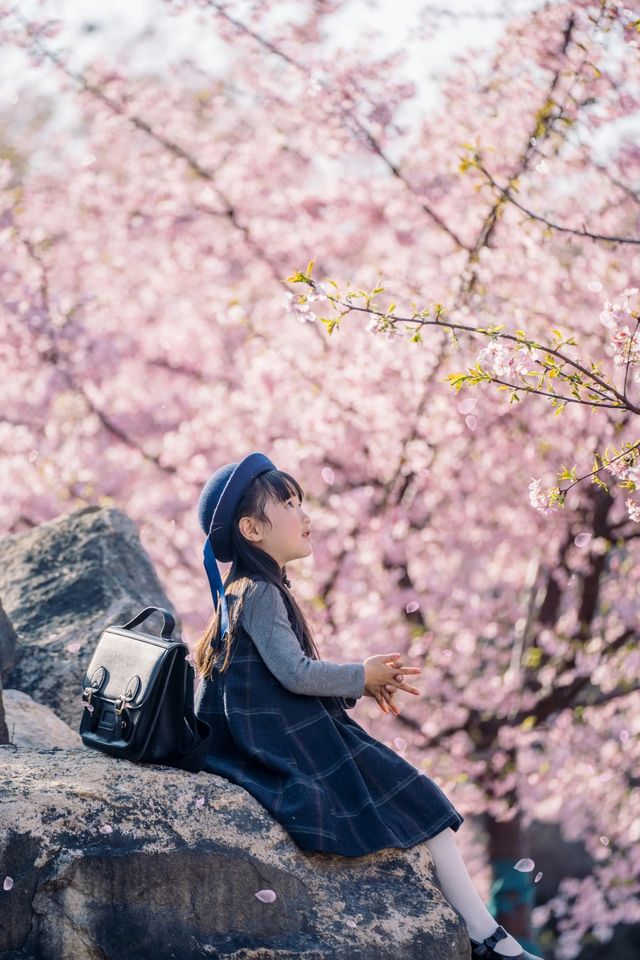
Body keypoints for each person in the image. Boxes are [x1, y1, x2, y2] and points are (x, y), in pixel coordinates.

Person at [192, 452, 543, 960]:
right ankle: (488, 939)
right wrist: (363, 674)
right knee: (424, 802)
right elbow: (294, 673)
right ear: (251, 529)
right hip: (282, 746)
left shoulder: (245, 591)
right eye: (288, 504)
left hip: (279, 736)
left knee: (419, 804)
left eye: (300, 502)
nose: (305, 516)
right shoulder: (260, 593)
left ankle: (487, 936)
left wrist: (357, 682)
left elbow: (278, 678)